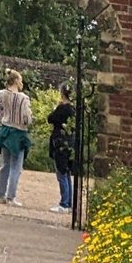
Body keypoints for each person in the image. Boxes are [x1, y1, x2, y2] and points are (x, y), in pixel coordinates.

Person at [0, 70, 32, 207]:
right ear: (16, 80)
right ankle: (11, 197)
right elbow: (27, 118)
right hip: (18, 132)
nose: (21, 82)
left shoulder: (2, 94)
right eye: (20, 79)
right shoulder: (23, 98)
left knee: (5, 165)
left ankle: (0, 195)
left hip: (5, 130)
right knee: (16, 167)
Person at [47, 83, 75, 215]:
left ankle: (64, 203)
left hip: (60, 142)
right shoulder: (74, 109)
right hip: (70, 142)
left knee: (61, 174)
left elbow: (50, 118)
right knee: (67, 173)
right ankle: (69, 203)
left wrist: (56, 107)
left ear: (62, 92)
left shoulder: (62, 108)